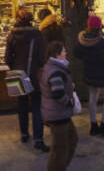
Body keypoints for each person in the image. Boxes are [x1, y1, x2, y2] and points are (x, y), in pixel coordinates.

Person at [6, 8, 49, 151]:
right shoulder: (37, 34)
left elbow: (7, 58)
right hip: (34, 74)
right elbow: (43, 56)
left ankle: (24, 134)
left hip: (18, 74)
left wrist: (16, 67)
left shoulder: (12, 35)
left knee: (22, 105)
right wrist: (37, 66)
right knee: (37, 106)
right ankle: (38, 139)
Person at [41, 41, 78, 169]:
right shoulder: (55, 70)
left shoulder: (54, 67)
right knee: (60, 149)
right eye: (63, 51)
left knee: (72, 140)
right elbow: (57, 93)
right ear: (57, 55)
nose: (66, 52)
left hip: (59, 114)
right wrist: (70, 101)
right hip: (58, 116)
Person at [77, 14, 104, 137]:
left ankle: (93, 125)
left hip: (89, 73)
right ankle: (103, 124)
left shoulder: (83, 40)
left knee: (92, 98)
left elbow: (76, 53)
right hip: (102, 73)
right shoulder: (101, 41)